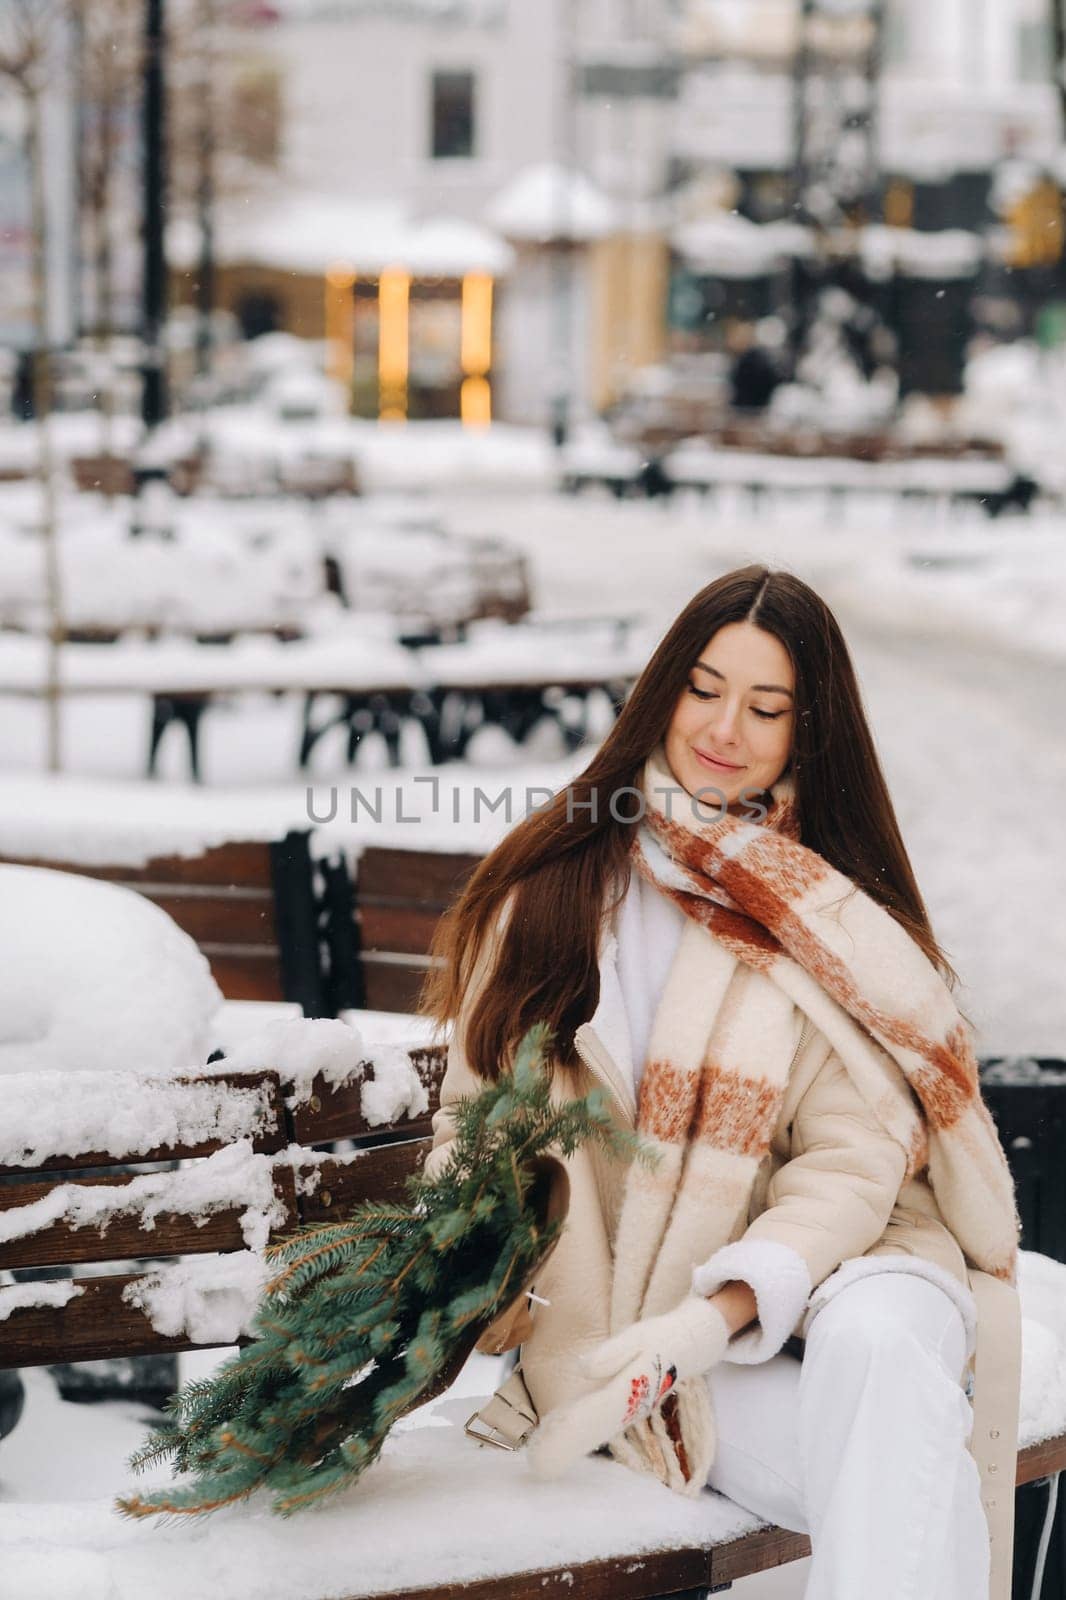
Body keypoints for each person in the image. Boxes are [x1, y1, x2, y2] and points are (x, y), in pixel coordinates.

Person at [420, 565, 1022, 1600]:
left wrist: (725, 1306)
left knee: (880, 1357)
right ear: (661, 689)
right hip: (654, 1331)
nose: (724, 728)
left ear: (806, 731)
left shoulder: (824, 910)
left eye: (767, 706)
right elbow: (475, 1132)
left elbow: (853, 1155)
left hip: (858, 1263)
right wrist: (485, 1275)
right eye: (703, 687)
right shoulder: (550, 895)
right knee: (908, 1487)